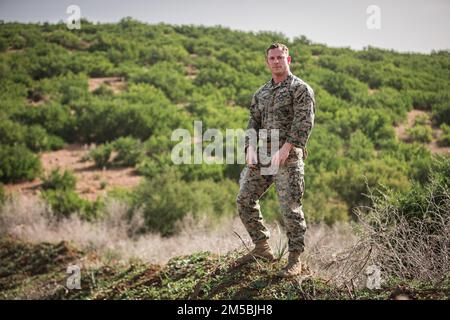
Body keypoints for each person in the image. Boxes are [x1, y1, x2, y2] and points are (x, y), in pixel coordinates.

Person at [236, 43, 315, 277]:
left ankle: (294, 260)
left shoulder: (300, 89)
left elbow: (304, 122)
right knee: (244, 199)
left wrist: (287, 148)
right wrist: (249, 147)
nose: (276, 61)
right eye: (272, 58)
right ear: (267, 62)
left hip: (288, 157)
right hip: (263, 155)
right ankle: (262, 248)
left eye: (280, 57)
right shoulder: (261, 93)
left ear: (288, 60)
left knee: (290, 209)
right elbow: (253, 121)